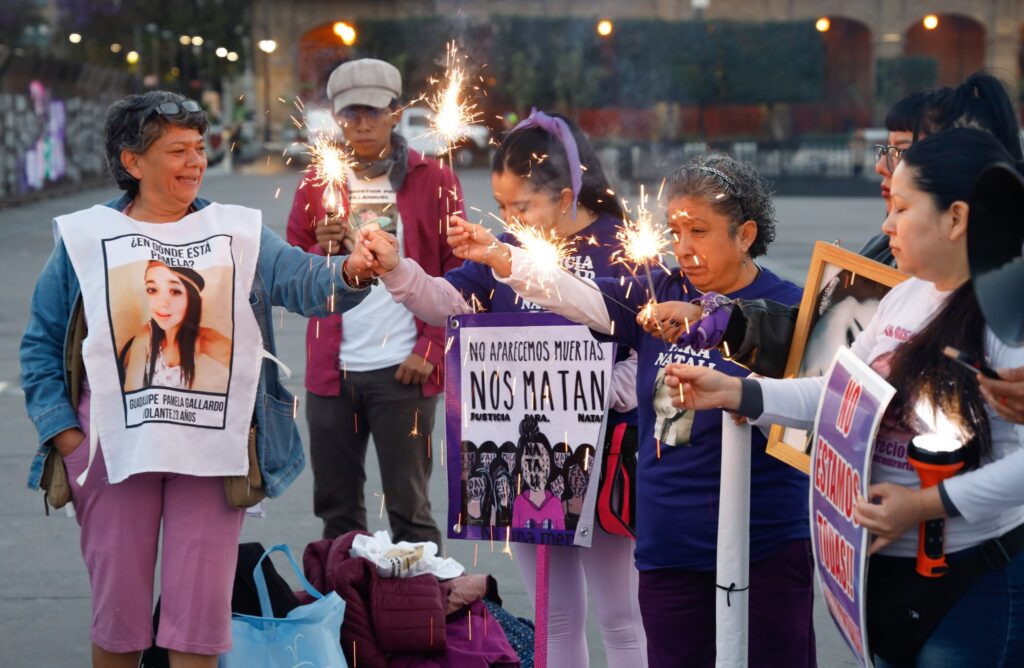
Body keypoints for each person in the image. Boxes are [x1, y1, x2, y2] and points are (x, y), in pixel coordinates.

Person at [20, 91, 370, 667]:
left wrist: (356, 270)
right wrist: (68, 438)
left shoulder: (235, 232)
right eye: (177, 150)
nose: (195, 162)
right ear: (133, 162)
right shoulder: (85, 237)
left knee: (198, 625)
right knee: (119, 621)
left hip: (214, 449)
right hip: (111, 449)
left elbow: (307, 282)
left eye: (199, 149)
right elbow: (40, 345)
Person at [437, 153, 815, 667]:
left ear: (745, 233)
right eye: (675, 232)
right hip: (669, 542)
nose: (683, 249)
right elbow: (578, 296)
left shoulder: (793, 306)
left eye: (699, 231)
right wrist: (506, 261)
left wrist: (714, 319)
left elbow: (813, 413)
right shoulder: (655, 290)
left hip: (765, 541)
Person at [666, 129, 1024, 667]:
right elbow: (839, 393)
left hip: (969, 581)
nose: (885, 225)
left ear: (956, 218)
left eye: (902, 208)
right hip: (881, 576)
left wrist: (924, 505)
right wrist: (737, 391)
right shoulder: (904, 298)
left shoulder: (1007, 321)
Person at [349, 110, 647, 667]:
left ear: (564, 197)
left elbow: (646, 346)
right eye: (502, 206)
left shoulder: (621, 245)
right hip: (524, 456)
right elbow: (447, 303)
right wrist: (397, 269)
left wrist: (593, 388)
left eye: (522, 206)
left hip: (605, 457)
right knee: (555, 615)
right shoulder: (501, 249)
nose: (509, 219)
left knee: (621, 615)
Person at [659, 72, 1023, 384]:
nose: (883, 165)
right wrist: (733, 335)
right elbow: (832, 359)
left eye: (902, 151)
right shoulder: (889, 258)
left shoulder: (1005, 283)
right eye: (886, 149)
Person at [287, 58, 463, 544]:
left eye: (374, 112)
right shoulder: (315, 183)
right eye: (351, 114)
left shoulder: (434, 180)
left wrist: (430, 350)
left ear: (396, 111)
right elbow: (290, 274)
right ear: (337, 116)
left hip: (403, 368)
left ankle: (422, 615)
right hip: (332, 370)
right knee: (338, 509)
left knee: (410, 507)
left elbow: (459, 273)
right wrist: (317, 251)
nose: (361, 125)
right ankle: (348, 615)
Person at [118, 261, 231, 392]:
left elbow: (242, 359)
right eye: (152, 290)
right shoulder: (145, 338)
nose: (162, 304)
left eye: (175, 291)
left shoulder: (201, 339)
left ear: (193, 299)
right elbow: (132, 394)